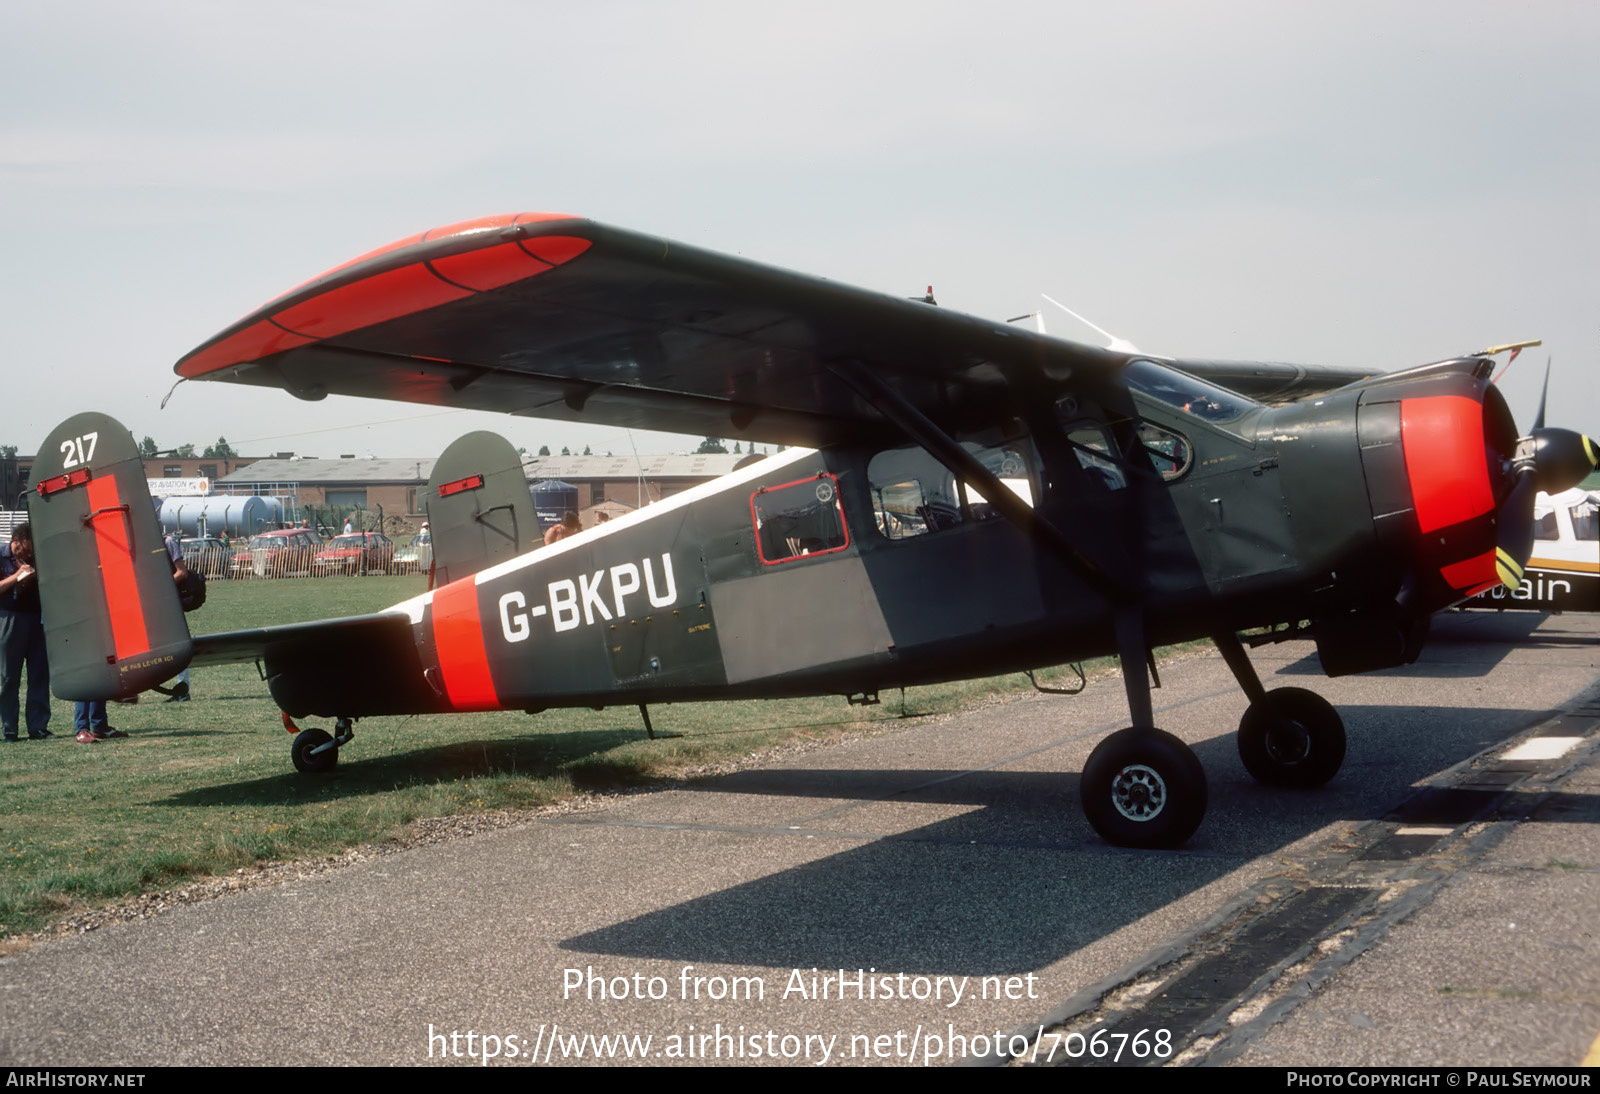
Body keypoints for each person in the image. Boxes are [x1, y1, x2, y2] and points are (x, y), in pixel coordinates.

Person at [0, 523, 50, 740]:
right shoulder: (1, 556)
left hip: (36, 619)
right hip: (9, 618)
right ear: (16, 541)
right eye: (26, 550)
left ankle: (37, 727)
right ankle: (9, 728)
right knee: (9, 676)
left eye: (31, 551)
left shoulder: (36, 556)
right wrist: (17, 576)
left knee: (39, 675)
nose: (29, 554)